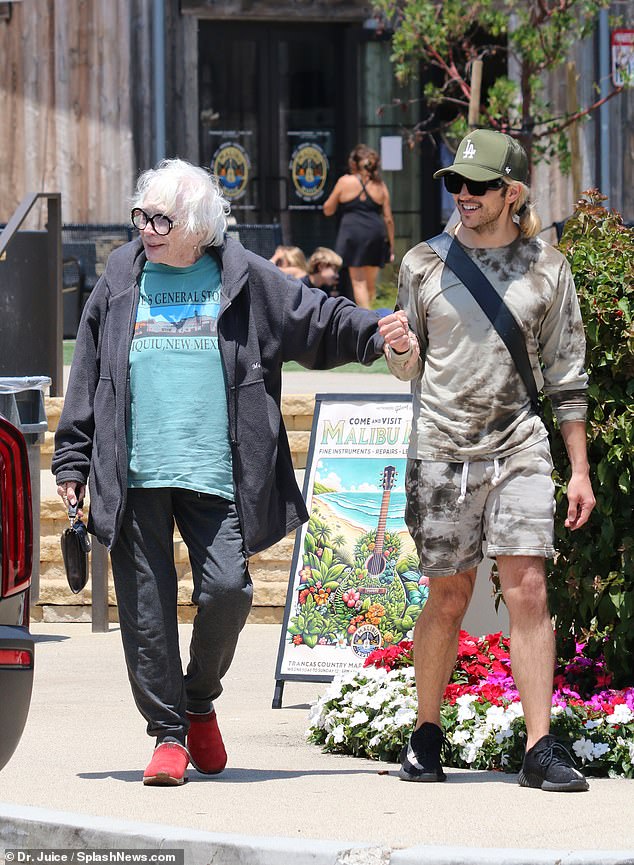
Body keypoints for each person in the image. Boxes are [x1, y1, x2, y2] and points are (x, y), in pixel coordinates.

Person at [52, 158, 385, 787]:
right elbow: (88, 375)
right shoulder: (122, 277)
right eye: (140, 216)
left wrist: (378, 333)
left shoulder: (244, 278)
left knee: (229, 591)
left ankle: (198, 697)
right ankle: (169, 734)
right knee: (146, 612)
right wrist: (73, 458)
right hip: (135, 476)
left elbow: (319, 320)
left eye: (161, 219)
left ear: (200, 225)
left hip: (219, 473)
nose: (146, 229)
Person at [378, 129, 595, 792]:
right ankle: (425, 732)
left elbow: (567, 372)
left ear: (513, 192)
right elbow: (406, 365)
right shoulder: (422, 264)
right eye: (455, 185)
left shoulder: (547, 269)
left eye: (478, 185)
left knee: (528, 586)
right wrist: (395, 347)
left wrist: (579, 466)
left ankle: (539, 746)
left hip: (520, 446)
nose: (464, 196)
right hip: (441, 450)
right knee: (450, 595)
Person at [323, 144, 394, 309]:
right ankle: (374, 317)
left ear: (353, 164)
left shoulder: (344, 181)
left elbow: (328, 209)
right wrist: (391, 245)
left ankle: (367, 321)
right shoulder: (380, 186)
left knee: (358, 283)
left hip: (352, 233)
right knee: (370, 284)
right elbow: (389, 219)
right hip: (375, 234)